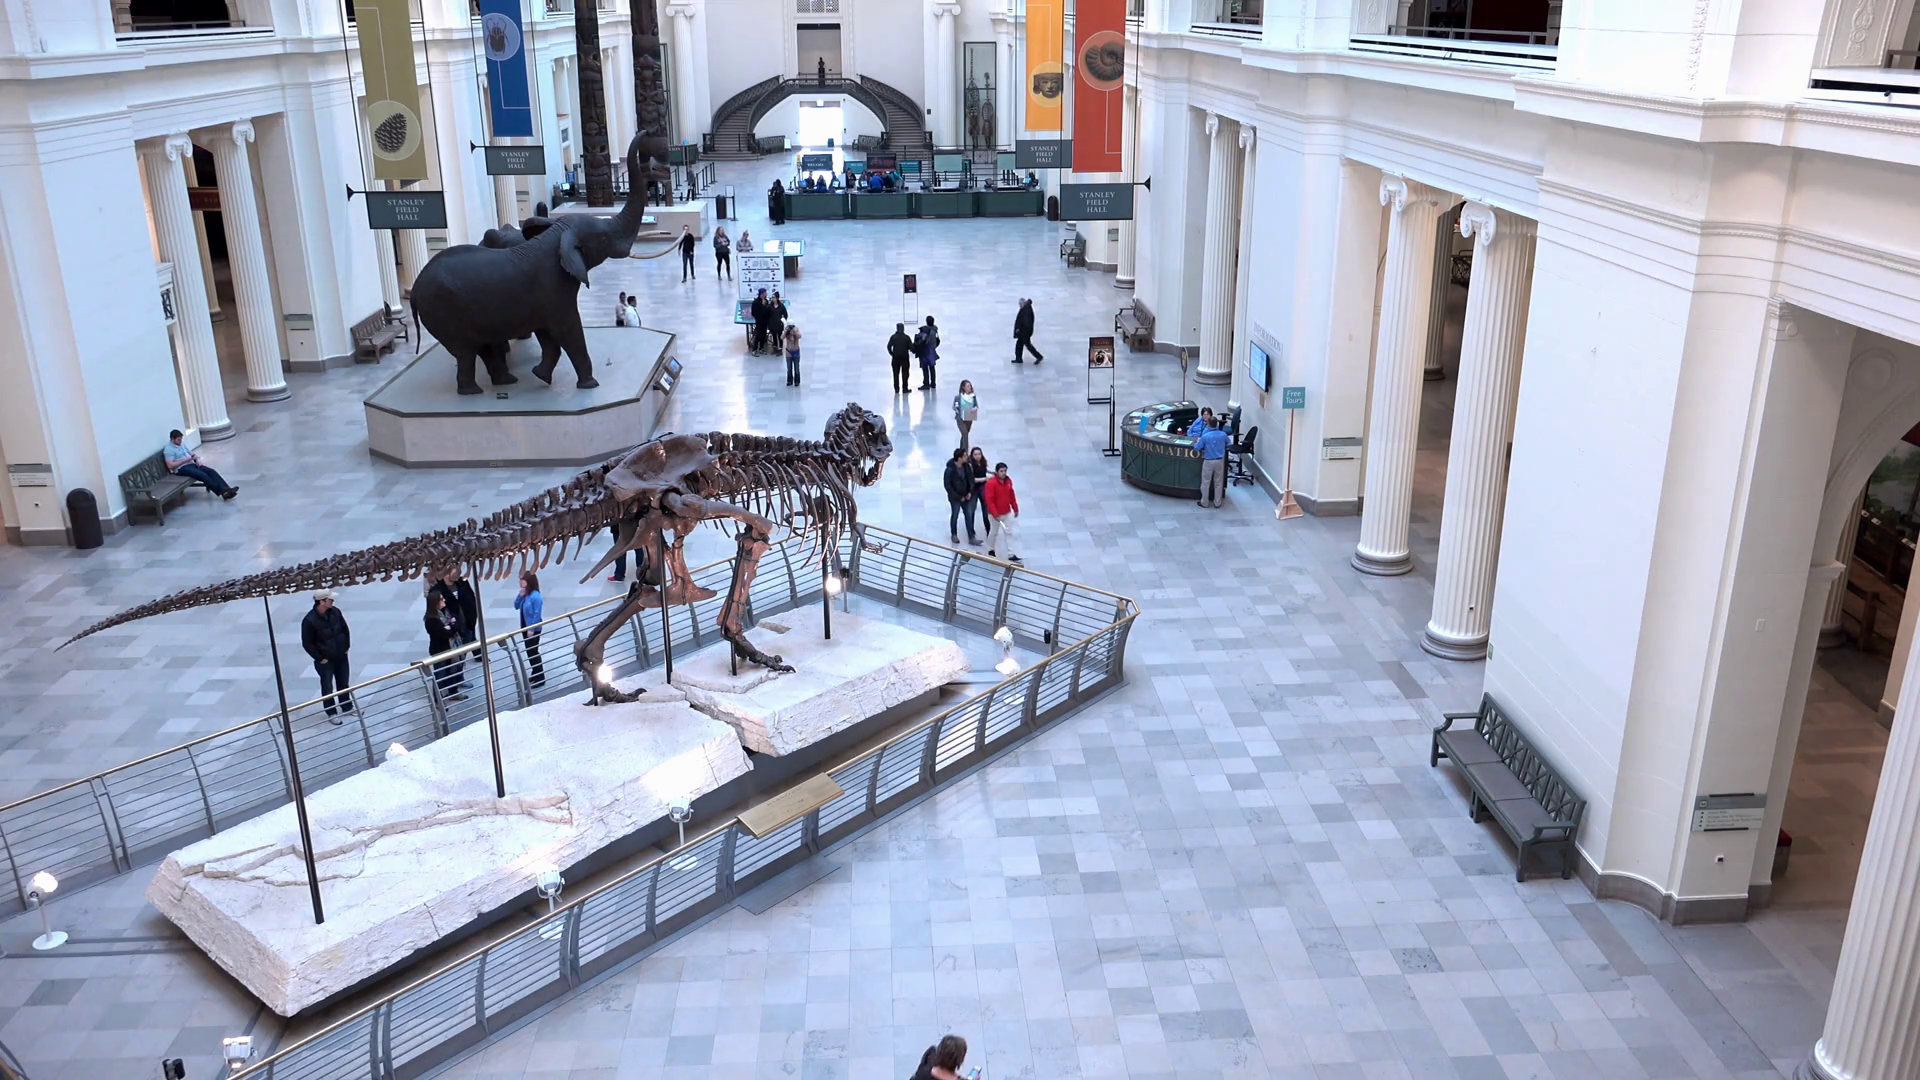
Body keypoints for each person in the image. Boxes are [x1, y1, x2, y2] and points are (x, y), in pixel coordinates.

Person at [300, 590, 354, 720]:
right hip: (326, 660)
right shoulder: (309, 621)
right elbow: (307, 643)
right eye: (330, 600)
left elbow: (345, 630)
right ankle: (331, 712)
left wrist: (346, 647)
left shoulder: (336, 612)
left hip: (341, 656)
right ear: (321, 601)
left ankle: (347, 707)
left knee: (343, 683)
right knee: (327, 686)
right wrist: (320, 658)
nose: (332, 602)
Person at [162, 429, 238, 500]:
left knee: (211, 471)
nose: (181, 441)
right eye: (179, 439)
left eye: (181, 439)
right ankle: (222, 492)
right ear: (172, 439)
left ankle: (226, 489)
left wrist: (196, 458)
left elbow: (190, 453)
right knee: (202, 475)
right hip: (181, 468)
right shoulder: (168, 450)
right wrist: (184, 460)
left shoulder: (181, 444)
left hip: (190, 463)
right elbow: (170, 465)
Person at [424, 591, 465, 701]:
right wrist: (451, 626)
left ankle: (453, 692)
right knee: (440, 676)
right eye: (441, 599)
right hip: (440, 650)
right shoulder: (431, 620)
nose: (444, 600)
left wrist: (451, 626)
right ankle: (438, 700)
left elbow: (457, 622)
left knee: (453, 671)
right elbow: (444, 634)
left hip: (452, 648)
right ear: (435, 602)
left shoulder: (445, 611)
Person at [983, 462, 1020, 563]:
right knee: (994, 532)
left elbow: (1011, 495)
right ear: (997, 472)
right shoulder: (991, 483)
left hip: (1006, 512)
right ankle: (990, 549)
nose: (1003, 473)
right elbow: (989, 500)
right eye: (1001, 471)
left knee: (1009, 532)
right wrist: (995, 514)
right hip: (995, 514)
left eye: (1005, 471)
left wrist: (1015, 507)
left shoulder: (1008, 481)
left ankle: (1011, 553)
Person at [515, 569, 545, 689]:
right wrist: (519, 596)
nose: (521, 582)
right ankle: (535, 672)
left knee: (533, 652)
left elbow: (537, 614)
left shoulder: (536, 596)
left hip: (533, 629)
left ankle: (540, 677)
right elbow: (516, 606)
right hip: (525, 627)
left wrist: (532, 628)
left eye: (523, 580)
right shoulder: (525, 594)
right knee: (529, 652)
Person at [943, 448, 979, 546]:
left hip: (966, 496)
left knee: (969, 515)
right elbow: (948, 486)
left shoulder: (966, 466)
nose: (967, 457)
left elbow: (971, 479)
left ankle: (971, 536)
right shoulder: (949, 470)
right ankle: (954, 534)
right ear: (959, 458)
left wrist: (969, 492)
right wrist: (958, 497)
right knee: (955, 514)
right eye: (964, 456)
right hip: (955, 498)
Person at [1196, 416, 1231, 508]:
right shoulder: (1223, 434)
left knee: (1205, 482)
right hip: (1220, 460)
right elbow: (1229, 443)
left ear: (1208, 425)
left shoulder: (1205, 437)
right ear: (1217, 424)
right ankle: (1217, 502)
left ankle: (1204, 502)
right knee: (1218, 482)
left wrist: (1198, 442)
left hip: (1208, 461)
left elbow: (1197, 447)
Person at [966, 445, 990, 535]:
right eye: (975, 454)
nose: (977, 456)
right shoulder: (970, 466)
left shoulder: (983, 463)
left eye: (979, 454)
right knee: (971, 510)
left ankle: (988, 529)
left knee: (986, 510)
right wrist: (984, 479)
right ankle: (970, 531)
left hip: (983, 488)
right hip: (974, 489)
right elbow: (971, 479)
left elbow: (985, 471)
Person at [913, 316, 941, 390]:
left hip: (925, 352)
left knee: (925, 368)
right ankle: (933, 383)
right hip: (932, 351)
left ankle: (926, 384)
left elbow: (921, 341)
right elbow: (938, 341)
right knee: (932, 367)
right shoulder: (935, 330)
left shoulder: (925, 331)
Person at [1013, 298, 1043, 364]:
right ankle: (1018, 358)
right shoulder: (1025, 309)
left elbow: (1025, 323)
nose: (1019, 305)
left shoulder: (1026, 311)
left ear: (1024, 303)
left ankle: (1039, 356)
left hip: (1024, 333)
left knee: (1028, 346)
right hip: (1023, 332)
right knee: (1019, 345)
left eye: (1020, 304)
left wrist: (1020, 330)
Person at [952, 379, 979, 452]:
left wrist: (974, 409)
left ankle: (961, 450)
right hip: (960, 418)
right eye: (968, 386)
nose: (969, 387)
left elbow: (976, 405)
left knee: (965, 435)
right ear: (963, 387)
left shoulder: (973, 396)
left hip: (969, 417)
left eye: (970, 386)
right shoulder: (958, 397)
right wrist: (959, 413)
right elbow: (955, 407)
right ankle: (966, 452)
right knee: (965, 435)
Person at [887, 322, 914, 393]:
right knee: (905, 373)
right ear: (903, 329)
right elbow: (911, 348)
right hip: (904, 358)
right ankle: (905, 388)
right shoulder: (906, 337)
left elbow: (889, 346)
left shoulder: (893, 337)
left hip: (895, 358)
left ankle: (896, 389)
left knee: (895, 374)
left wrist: (892, 353)